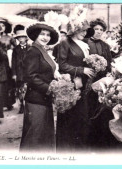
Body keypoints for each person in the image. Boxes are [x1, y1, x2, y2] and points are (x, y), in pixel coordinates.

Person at [54, 19, 95, 152]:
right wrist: (81, 70)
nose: (84, 33)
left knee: (80, 118)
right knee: (70, 118)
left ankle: (78, 148)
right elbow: (62, 65)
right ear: (75, 30)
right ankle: (67, 149)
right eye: (82, 30)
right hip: (71, 85)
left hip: (82, 85)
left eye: (85, 30)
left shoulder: (83, 44)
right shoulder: (65, 43)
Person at [19, 22, 60, 153]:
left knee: (43, 135)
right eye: (42, 34)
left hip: (44, 98)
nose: (45, 37)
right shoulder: (33, 51)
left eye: (48, 35)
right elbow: (30, 76)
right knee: (34, 136)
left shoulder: (42, 50)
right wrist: (49, 88)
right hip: (36, 99)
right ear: (36, 35)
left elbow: (48, 72)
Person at [85, 18, 117, 151]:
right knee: (89, 108)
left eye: (101, 30)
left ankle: (100, 141)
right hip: (89, 79)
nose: (98, 32)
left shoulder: (105, 45)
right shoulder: (85, 43)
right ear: (91, 29)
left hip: (102, 81)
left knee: (102, 109)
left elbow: (109, 64)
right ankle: (89, 141)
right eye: (96, 29)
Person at [0, 17, 16, 111]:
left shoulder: (10, 38)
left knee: (9, 83)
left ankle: (9, 103)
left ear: (6, 26)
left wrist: (10, 51)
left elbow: (16, 49)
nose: (1, 27)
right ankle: (0, 103)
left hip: (8, 63)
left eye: (3, 25)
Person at [11, 24, 29, 114]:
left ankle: (28, 105)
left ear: (26, 38)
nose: (21, 39)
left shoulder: (30, 48)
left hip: (28, 71)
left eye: (23, 37)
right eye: (19, 37)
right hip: (19, 72)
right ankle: (22, 105)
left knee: (28, 88)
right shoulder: (15, 49)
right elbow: (13, 62)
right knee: (20, 89)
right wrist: (14, 74)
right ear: (17, 39)